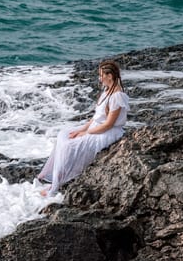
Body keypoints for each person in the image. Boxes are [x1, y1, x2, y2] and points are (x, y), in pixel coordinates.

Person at [37, 60, 129, 197]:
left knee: (69, 146)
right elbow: (96, 117)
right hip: (96, 127)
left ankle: (55, 186)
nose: (100, 78)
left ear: (109, 76)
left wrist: (86, 133)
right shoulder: (107, 91)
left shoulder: (117, 96)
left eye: (101, 75)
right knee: (64, 134)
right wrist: (82, 129)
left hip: (107, 132)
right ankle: (56, 177)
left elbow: (108, 124)